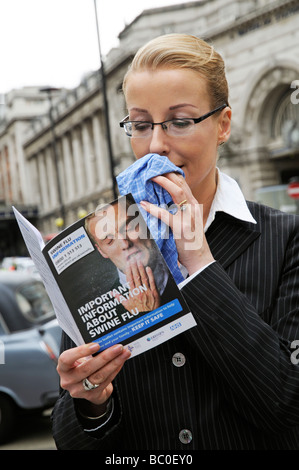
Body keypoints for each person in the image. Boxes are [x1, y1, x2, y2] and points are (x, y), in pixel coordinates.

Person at [52, 33, 299, 450]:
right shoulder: (106, 245)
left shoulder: (285, 238)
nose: (156, 146)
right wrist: (91, 402)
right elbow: (70, 438)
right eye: (141, 124)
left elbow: (287, 407)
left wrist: (200, 266)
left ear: (222, 125)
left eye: (180, 121)